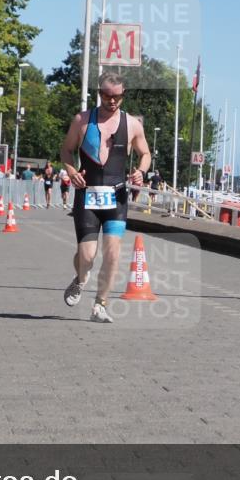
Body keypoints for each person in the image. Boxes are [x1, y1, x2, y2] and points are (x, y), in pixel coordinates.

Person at [60, 72, 151, 323]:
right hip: (87, 196)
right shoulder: (82, 120)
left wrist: (141, 172)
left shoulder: (132, 124)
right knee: (87, 257)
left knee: (112, 253)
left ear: (123, 96)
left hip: (117, 197)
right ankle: (80, 278)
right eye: (108, 96)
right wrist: (71, 171)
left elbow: (145, 154)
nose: (113, 101)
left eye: (118, 97)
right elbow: (66, 150)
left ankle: (100, 304)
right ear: (99, 94)